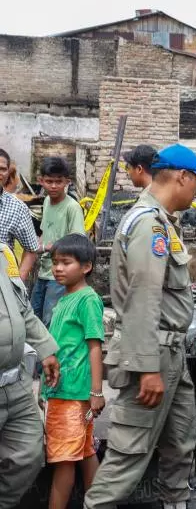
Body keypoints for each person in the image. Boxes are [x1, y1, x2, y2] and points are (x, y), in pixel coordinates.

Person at [84, 144, 196, 509]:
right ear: (182, 177)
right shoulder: (148, 225)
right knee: (129, 455)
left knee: (180, 443)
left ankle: (176, 503)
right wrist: (147, 369)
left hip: (170, 353)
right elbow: (142, 298)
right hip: (154, 354)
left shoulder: (160, 221)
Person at [42, 234, 104, 509]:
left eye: (66, 263)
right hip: (64, 392)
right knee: (84, 450)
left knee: (63, 459)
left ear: (86, 267)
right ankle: (99, 503)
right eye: (55, 262)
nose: (57, 268)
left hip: (72, 394)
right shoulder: (65, 298)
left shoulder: (86, 300)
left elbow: (94, 348)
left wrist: (96, 392)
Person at [0, 241, 60, 509]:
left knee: (28, 455)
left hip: (15, 383)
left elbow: (23, 309)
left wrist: (46, 349)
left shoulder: (3, 252)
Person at [32, 157, 85, 326]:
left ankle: (53, 353)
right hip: (43, 271)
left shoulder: (72, 207)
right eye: (49, 181)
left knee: (51, 320)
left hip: (59, 274)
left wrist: (49, 247)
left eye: (58, 181)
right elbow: (44, 231)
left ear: (67, 182)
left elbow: (77, 242)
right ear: (41, 181)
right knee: (33, 318)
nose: (53, 186)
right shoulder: (47, 201)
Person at [0, 149, 40, 282]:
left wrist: (17, 282)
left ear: (7, 173)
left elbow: (31, 248)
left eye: (2, 169)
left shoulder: (17, 208)